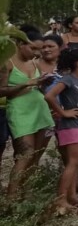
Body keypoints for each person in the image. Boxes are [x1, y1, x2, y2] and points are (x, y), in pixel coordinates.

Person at [2, 27, 55, 197]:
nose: (37, 52)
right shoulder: (7, 63)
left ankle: (25, 195)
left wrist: (43, 83)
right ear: (19, 44)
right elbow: (1, 90)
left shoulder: (35, 63)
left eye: (39, 49)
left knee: (36, 156)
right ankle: (11, 200)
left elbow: (38, 87)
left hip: (40, 109)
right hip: (19, 111)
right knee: (24, 155)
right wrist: (28, 83)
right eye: (33, 48)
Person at [44, 45, 78, 215]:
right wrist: (63, 112)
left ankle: (71, 196)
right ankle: (61, 199)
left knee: (75, 162)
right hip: (72, 127)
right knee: (72, 163)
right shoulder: (68, 79)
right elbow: (49, 96)